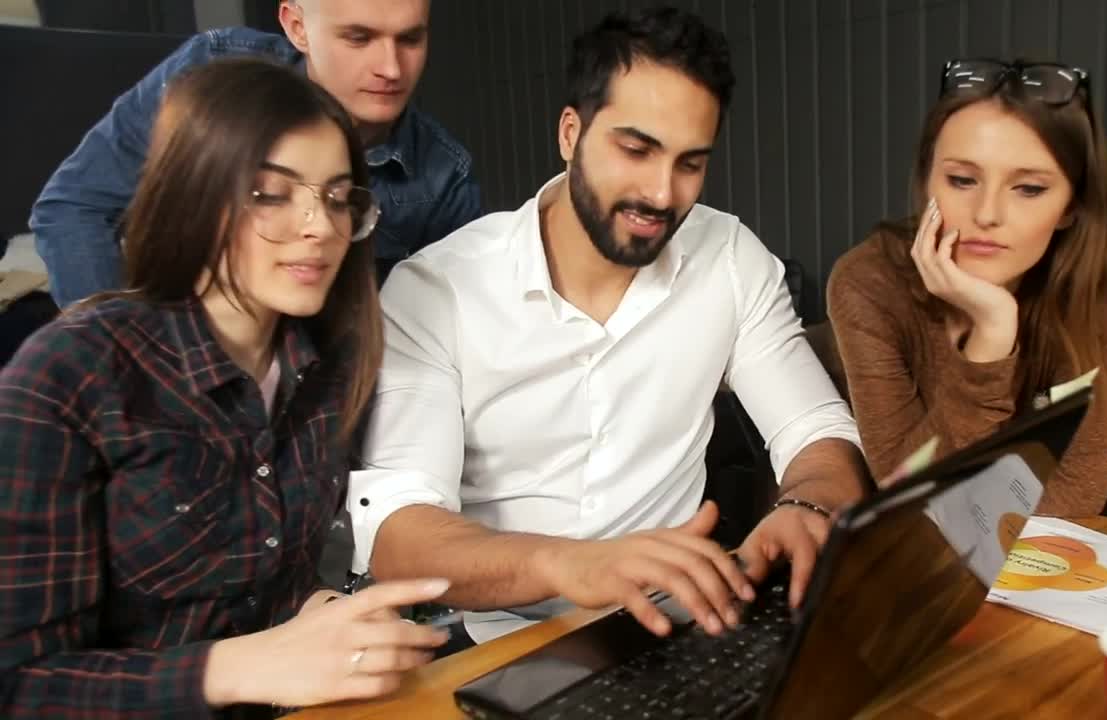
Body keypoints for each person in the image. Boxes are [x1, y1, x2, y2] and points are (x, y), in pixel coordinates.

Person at [349, 6, 870, 649]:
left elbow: (818, 430)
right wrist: (572, 563)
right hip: (493, 643)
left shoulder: (730, 257)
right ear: (571, 133)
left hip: (675, 627)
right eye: (636, 149)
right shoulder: (436, 291)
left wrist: (806, 508)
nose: (660, 193)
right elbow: (399, 535)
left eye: (689, 163)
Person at [0, 59, 451, 719]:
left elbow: (263, 585)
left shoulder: (327, 359)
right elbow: (17, 686)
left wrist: (323, 616)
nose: (320, 226)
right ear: (194, 197)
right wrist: (243, 664)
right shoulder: (69, 375)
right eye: (272, 194)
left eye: (335, 196)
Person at [30, 0, 480, 306]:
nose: (390, 68)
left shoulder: (443, 176)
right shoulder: (213, 75)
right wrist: (123, 364)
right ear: (297, 26)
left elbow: (439, 337)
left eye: (409, 39)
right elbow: (74, 209)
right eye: (358, 38)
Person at [827, 59, 1107, 517]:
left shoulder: (1083, 283)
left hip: (1036, 563)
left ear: (1071, 207)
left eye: (1028, 188)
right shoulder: (869, 282)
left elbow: (1080, 482)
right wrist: (990, 338)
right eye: (962, 180)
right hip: (913, 559)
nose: (987, 214)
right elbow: (905, 487)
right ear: (928, 182)